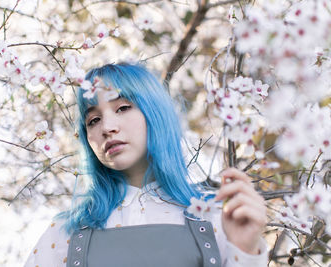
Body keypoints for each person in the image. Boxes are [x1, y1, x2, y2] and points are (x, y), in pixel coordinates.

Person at [24, 63, 268, 267]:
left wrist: (246, 251)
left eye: (123, 108)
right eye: (94, 119)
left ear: (156, 114)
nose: (107, 127)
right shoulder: (65, 232)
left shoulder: (217, 218)